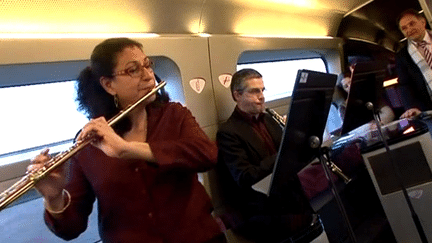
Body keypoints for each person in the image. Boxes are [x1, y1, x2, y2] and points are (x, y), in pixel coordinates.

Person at [27, 38, 226, 243]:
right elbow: (71, 229)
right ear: (108, 84)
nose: (149, 76)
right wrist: (54, 198)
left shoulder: (174, 114)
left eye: (148, 65)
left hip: (198, 237)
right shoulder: (88, 142)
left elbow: (208, 154)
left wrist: (129, 149)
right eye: (133, 70)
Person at [216, 69, 323, 243]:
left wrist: (297, 135)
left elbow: (291, 160)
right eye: (254, 91)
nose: (262, 96)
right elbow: (245, 177)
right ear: (237, 95)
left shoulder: (269, 119)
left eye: (262, 90)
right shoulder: (228, 132)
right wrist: (285, 151)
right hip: (264, 208)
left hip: (292, 196)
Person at [331, 68, 395, 136]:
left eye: (351, 82)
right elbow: (350, 130)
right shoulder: (343, 107)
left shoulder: (370, 95)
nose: (350, 87)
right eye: (346, 86)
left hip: (383, 130)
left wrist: (378, 124)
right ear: (344, 90)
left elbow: (389, 112)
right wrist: (368, 127)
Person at [396, 9, 432, 119]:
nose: (409, 29)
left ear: (423, 22)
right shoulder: (402, 56)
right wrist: (411, 107)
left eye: (412, 24)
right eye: (404, 28)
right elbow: (406, 85)